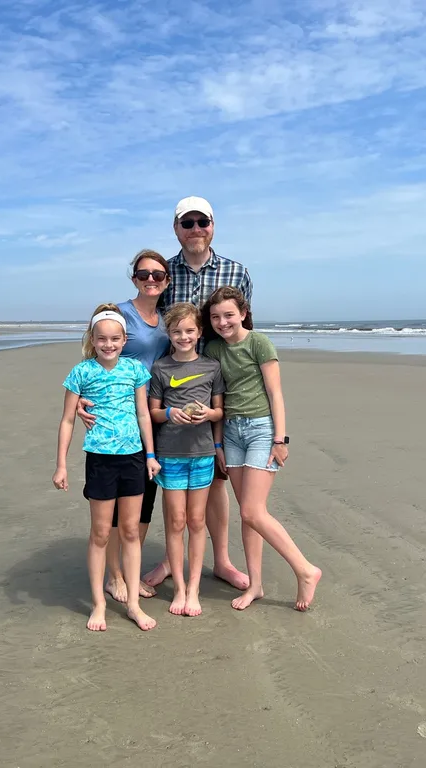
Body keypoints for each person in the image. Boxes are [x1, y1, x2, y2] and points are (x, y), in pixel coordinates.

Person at [143, 196, 253, 592]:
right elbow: (146, 323)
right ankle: (171, 561)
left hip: (218, 384)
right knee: (171, 476)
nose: (194, 229)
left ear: (212, 224)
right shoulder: (163, 272)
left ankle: (220, 560)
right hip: (169, 386)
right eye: (186, 223)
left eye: (201, 221)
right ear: (176, 229)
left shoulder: (235, 271)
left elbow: (242, 330)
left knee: (216, 477)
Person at [201, 286, 322, 612]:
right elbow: (218, 401)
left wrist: (280, 440)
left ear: (242, 313)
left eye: (228, 315)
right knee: (249, 515)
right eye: (215, 317)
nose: (222, 322)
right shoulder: (213, 350)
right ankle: (255, 584)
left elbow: (275, 393)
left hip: (261, 430)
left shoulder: (259, 342)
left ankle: (305, 570)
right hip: (231, 433)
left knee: (253, 511)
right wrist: (217, 444)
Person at [52, 304, 161, 632]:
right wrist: (61, 465)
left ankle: (133, 605)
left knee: (129, 531)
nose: (109, 344)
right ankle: (99, 604)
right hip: (100, 460)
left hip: (133, 459)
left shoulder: (135, 371)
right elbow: (68, 419)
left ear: (124, 339)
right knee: (101, 532)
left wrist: (151, 455)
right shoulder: (81, 372)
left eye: (115, 339)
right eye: (102, 339)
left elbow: (143, 414)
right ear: (93, 339)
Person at [75, 250, 171, 604]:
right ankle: (114, 576)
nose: (151, 279)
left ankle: (128, 569)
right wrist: (84, 399)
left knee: (142, 500)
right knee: (112, 509)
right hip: (116, 422)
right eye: (144, 274)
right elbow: (98, 349)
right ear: (134, 278)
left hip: (151, 417)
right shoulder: (120, 313)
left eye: (158, 275)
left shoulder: (163, 318)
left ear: (166, 280)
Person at [148, 302, 225, 617]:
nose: (183, 336)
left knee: (196, 521)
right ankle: (178, 587)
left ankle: (194, 589)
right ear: (169, 333)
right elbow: (153, 411)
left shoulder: (211, 368)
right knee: (176, 521)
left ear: (199, 332)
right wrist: (170, 413)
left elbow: (220, 411)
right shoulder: (161, 368)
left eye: (189, 331)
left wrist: (208, 414)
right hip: (171, 455)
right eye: (177, 331)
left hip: (202, 454)